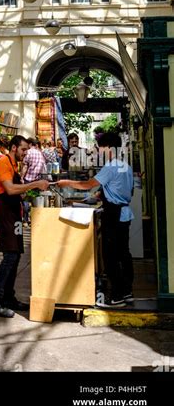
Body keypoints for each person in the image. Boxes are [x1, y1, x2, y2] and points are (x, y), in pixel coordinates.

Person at [57, 132, 134, 308]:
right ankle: (127, 292)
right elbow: (127, 191)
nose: (99, 151)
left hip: (113, 215)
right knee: (124, 253)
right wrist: (104, 193)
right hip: (125, 214)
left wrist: (67, 182)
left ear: (109, 148)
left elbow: (87, 184)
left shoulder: (110, 167)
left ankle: (116, 297)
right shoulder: (125, 166)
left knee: (110, 255)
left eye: (101, 148)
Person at [0, 135, 50, 318]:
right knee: (9, 256)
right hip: (4, 213)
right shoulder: (3, 163)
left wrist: (33, 190)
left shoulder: (15, 164)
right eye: (23, 150)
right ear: (14, 147)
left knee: (16, 255)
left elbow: (18, 191)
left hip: (14, 214)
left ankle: (8, 297)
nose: (25, 153)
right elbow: (10, 189)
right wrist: (35, 183)